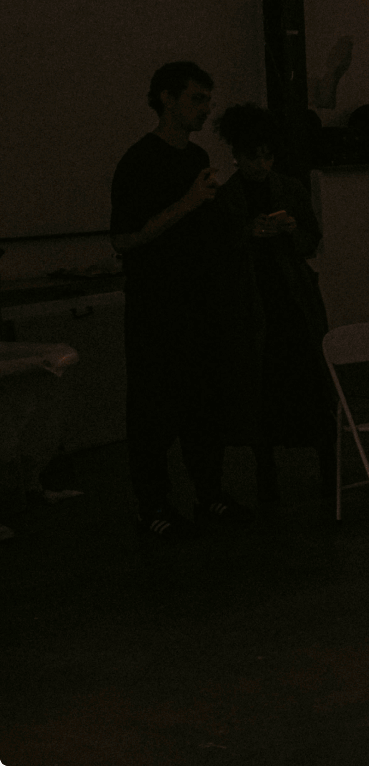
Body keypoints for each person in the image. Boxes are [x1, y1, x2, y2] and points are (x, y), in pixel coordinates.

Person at [110, 62, 249, 539]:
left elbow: (203, 228)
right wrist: (186, 204)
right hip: (156, 307)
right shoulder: (138, 162)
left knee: (202, 404)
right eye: (196, 99)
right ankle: (153, 505)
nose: (205, 110)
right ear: (166, 99)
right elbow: (125, 239)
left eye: (208, 100)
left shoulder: (197, 156)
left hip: (198, 303)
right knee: (152, 407)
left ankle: (209, 493)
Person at [211, 104, 334, 503]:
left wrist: (291, 230)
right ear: (238, 155)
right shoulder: (227, 198)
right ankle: (267, 468)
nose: (262, 165)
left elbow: (312, 239)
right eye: (254, 157)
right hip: (254, 304)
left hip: (290, 300)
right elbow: (217, 253)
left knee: (307, 383)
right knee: (262, 389)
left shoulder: (288, 189)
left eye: (267, 156)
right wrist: (248, 234)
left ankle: (325, 466)